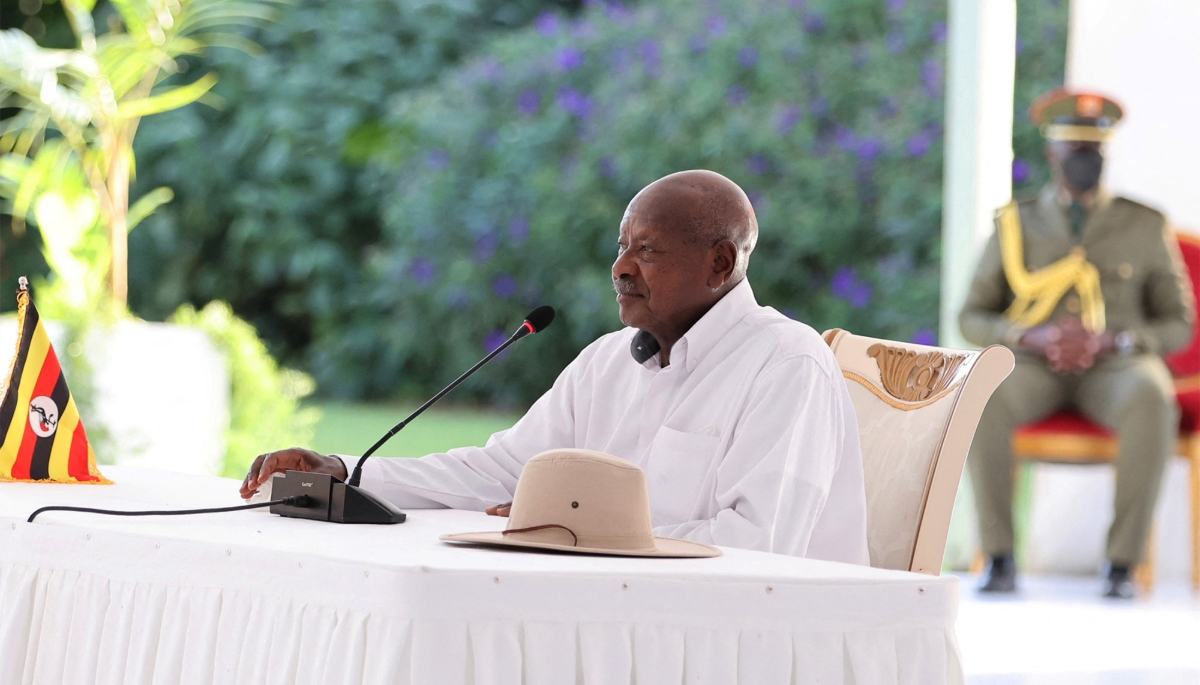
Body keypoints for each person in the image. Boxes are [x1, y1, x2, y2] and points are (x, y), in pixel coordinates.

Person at [241, 169, 870, 564]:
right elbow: (503, 471)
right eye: (621, 247)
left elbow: (760, 544)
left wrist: (579, 527)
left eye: (648, 250)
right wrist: (346, 472)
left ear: (720, 264)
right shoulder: (605, 361)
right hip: (618, 611)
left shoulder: (786, 365)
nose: (620, 268)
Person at [960, 90, 1196, 599]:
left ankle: (1122, 565)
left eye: (1095, 151)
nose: (1086, 160)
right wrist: (1027, 335)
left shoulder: (1144, 224)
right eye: (1076, 150)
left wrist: (1122, 340)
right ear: (1053, 153)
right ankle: (999, 558)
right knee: (984, 393)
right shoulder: (1016, 222)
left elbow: (1179, 323)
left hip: (1114, 366)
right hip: (1035, 363)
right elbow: (971, 317)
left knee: (1152, 395)